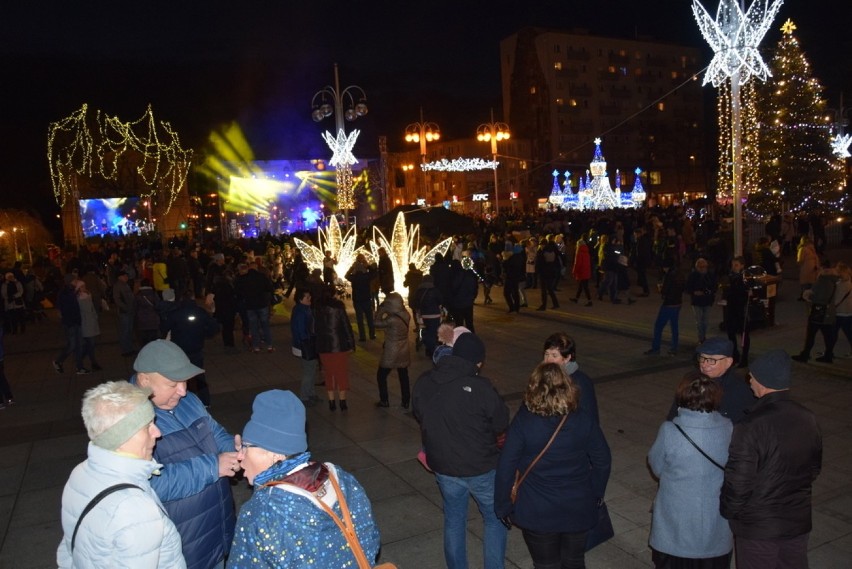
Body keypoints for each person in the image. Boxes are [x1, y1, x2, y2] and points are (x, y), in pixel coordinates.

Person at [230, 390, 381, 567]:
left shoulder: (260, 512)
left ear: (275, 455)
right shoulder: (341, 478)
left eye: (246, 447)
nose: (240, 456)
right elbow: (370, 541)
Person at [131, 340, 239, 569]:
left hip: (214, 529)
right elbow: (146, 484)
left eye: (184, 382)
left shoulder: (189, 401)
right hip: (181, 545)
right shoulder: (128, 419)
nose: (183, 390)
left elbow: (215, 432)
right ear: (144, 380)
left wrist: (235, 449)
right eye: (172, 384)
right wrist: (212, 467)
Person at [57, 381, 186, 568]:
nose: (157, 433)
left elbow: (69, 551)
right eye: (147, 426)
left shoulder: (80, 473)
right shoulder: (133, 507)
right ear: (121, 437)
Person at [494, 363, 611, 569]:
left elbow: (506, 466)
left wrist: (503, 505)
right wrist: (596, 494)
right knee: (574, 561)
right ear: (568, 387)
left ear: (533, 388)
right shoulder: (583, 419)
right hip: (578, 506)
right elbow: (603, 460)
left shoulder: (524, 421)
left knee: (546, 564)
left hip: (537, 510)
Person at [412, 332, 510, 569]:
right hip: (481, 467)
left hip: (443, 466)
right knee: (494, 520)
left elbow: (419, 414)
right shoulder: (481, 387)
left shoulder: (425, 381)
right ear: (477, 362)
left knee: (454, 519)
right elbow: (501, 423)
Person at [721, 349, 822, 569]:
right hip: (797, 521)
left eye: (752, 376)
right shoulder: (808, 417)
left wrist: (729, 512)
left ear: (763, 380)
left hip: (759, 528)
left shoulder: (750, 425)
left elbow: (739, 482)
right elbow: (814, 468)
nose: (749, 381)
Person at [648, 373, 733, 568]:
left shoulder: (670, 430)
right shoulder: (728, 427)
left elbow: (656, 465)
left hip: (677, 516)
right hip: (714, 516)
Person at [666, 337, 753, 425]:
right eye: (702, 358)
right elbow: (674, 414)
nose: (704, 364)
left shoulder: (740, 391)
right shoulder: (691, 380)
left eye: (712, 360)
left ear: (728, 362)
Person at [159, 289, 220, 406]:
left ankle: (184, 402)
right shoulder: (200, 312)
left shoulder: (175, 313)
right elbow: (214, 327)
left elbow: (164, 328)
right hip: (196, 348)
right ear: (193, 298)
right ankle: (205, 401)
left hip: (179, 350)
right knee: (199, 376)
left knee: (180, 377)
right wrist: (205, 333)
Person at [542, 332, 599, 423]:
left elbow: (590, 417)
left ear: (567, 358)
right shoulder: (542, 377)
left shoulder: (581, 382)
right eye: (546, 354)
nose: (548, 359)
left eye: (554, 355)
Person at [314, 286, 356, 411]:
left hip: (323, 346)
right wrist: (351, 343)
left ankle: (331, 402)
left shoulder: (317, 308)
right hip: (339, 346)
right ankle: (342, 402)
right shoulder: (338, 307)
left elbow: (314, 327)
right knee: (341, 373)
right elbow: (346, 326)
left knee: (328, 373)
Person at [792, 265, 840, 364]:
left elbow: (818, 297)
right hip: (829, 313)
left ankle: (805, 354)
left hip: (818, 313)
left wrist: (809, 298)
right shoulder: (835, 281)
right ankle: (828, 355)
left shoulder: (822, 281)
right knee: (828, 335)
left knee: (811, 335)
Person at [374, 292, 411, 409]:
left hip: (392, 349)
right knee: (403, 375)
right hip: (404, 348)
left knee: (381, 375)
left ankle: (384, 400)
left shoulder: (392, 319)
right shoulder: (406, 314)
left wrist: (380, 310)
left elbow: (376, 323)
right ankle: (406, 401)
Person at [644, 258, 684, 356]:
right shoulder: (679, 274)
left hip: (669, 304)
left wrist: (660, 289)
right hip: (678, 303)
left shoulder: (669, 276)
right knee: (674, 326)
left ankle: (656, 348)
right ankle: (674, 347)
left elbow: (665, 290)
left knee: (658, 326)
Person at [290, 289, 319, 407]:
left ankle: (310, 394)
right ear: (301, 299)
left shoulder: (302, 309)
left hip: (304, 344)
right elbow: (301, 331)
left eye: (310, 297)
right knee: (309, 371)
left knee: (311, 370)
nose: (310, 299)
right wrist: (309, 340)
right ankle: (305, 396)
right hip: (305, 345)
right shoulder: (302, 311)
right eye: (307, 297)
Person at [53, 275, 84, 375]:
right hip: (70, 322)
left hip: (75, 321)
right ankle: (58, 361)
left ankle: (79, 367)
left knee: (79, 345)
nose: (76, 281)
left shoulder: (70, 291)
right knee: (72, 345)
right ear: (70, 281)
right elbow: (65, 307)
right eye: (75, 280)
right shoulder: (66, 292)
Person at [724, 256, 751, 367]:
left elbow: (747, 291)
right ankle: (735, 355)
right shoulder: (730, 276)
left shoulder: (745, 277)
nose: (733, 267)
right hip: (731, 308)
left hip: (741, 309)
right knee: (730, 333)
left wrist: (749, 292)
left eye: (736, 265)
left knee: (744, 334)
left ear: (742, 265)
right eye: (732, 265)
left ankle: (744, 358)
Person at [685, 258, 718, 344]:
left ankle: (703, 336)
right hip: (697, 301)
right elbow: (687, 288)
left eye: (704, 266)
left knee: (705, 321)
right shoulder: (693, 276)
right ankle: (701, 337)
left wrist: (707, 292)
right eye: (700, 267)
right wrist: (694, 292)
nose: (702, 268)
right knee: (699, 321)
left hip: (707, 301)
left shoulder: (710, 275)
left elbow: (715, 287)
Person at [346, 253, 377, 342]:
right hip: (366, 299)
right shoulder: (366, 276)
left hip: (357, 300)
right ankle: (372, 335)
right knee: (369, 318)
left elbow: (346, 275)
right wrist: (367, 266)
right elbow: (375, 273)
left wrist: (352, 267)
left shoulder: (353, 277)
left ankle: (362, 337)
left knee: (360, 319)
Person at [77, 279, 102, 373]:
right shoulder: (80, 297)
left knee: (90, 344)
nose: (84, 288)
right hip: (86, 322)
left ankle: (80, 360)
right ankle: (91, 362)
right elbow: (87, 309)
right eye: (82, 286)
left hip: (90, 322)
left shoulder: (86, 295)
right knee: (90, 344)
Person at [113, 269, 136, 356]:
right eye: (125, 276)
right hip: (125, 312)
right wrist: (125, 307)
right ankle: (126, 350)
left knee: (129, 331)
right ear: (120, 277)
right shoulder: (118, 286)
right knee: (125, 331)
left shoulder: (125, 285)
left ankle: (129, 348)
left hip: (129, 311)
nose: (127, 277)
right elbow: (117, 299)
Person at [569, 233, 593, 306]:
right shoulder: (586, 251)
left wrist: (574, 271)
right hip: (586, 271)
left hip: (582, 271)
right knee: (581, 286)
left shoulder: (579, 252)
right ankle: (576, 298)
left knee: (585, 287)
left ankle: (590, 301)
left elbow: (577, 263)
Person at [797, 235, 819, 299]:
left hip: (805, 267)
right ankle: (811, 295)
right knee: (811, 281)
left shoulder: (802, 249)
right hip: (813, 266)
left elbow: (800, 260)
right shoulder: (812, 248)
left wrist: (798, 264)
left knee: (804, 282)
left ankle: (804, 295)